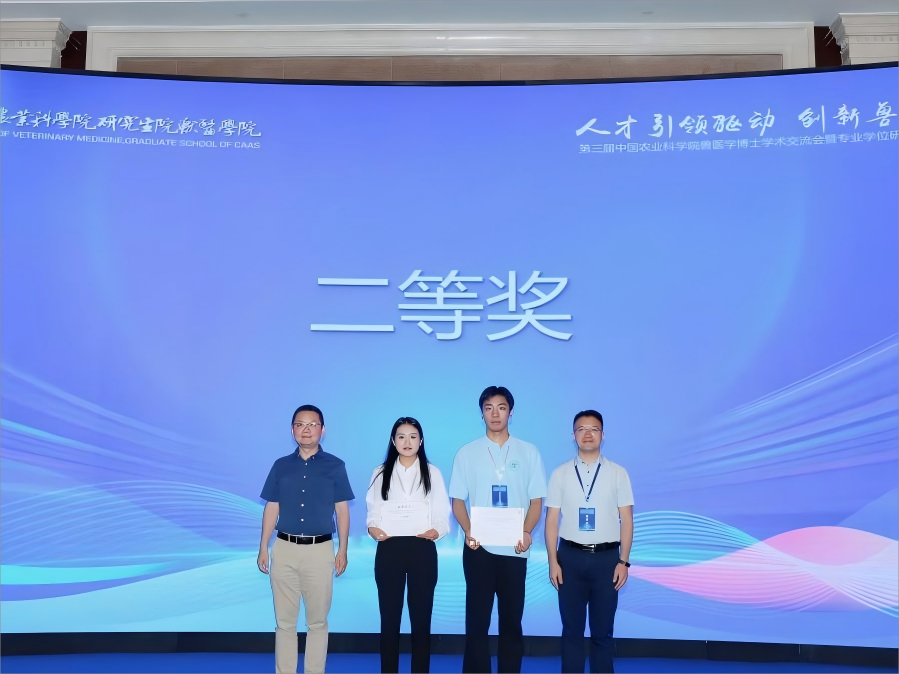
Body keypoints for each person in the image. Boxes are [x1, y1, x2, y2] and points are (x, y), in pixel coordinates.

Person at [449, 386, 547, 674]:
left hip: (515, 549)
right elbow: (457, 501)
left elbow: (537, 501)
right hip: (479, 549)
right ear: (482, 413)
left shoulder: (528, 452)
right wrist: (469, 531)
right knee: (476, 622)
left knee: (511, 621)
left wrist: (526, 532)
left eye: (501, 407)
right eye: (489, 407)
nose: (495, 413)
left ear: (510, 412)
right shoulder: (467, 452)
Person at [257, 404, 354, 674]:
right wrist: (263, 547)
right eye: (300, 424)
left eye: (312, 424)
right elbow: (272, 507)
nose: (306, 429)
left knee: (317, 623)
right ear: (292, 430)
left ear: (323, 430)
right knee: (284, 623)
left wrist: (342, 550)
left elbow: (342, 510)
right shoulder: (281, 466)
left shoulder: (336, 466)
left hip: (319, 550)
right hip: (284, 549)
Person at [545, 410, 634, 674]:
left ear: (603, 435)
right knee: (571, 631)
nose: (587, 434)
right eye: (581, 429)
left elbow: (627, 520)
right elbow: (551, 521)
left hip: (607, 560)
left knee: (603, 633)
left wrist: (624, 562)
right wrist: (553, 562)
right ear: (573, 435)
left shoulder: (618, 473)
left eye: (593, 429)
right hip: (569, 558)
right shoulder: (560, 473)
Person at [366, 417, 450, 674]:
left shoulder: (432, 472)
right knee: (389, 620)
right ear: (393, 441)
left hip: (421, 548)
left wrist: (437, 530)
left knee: (421, 621)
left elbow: (442, 512)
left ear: (421, 441)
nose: (407, 442)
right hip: (389, 548)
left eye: (413, 436)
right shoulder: (380, 472)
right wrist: (372, 527)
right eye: (401, 436)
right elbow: (373, 509)